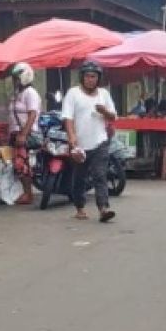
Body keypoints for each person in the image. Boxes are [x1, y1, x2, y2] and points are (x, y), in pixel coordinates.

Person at [62, 61, 117, 223]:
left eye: (93, 76)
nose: (90, 79)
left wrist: (104, 111)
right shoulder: (73, 94)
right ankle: (80, 207)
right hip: (80, 145)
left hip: (100, 142)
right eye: (87, 76)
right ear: (82, 77)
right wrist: (72, 139)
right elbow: (68, 118)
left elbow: (113, 116)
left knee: (100, 175)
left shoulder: (104, 95)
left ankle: (103, 208)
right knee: (79, 178)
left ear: (98, 79)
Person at [7, 62, 41, 206]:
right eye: (14, 78)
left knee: (22, 164)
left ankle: (28, 194)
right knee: (19, 163)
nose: (15, 81)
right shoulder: (18, 93)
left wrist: (23, 134)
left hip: (25, 133)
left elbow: (32, 115)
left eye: (17, 77)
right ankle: (25, 192)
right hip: (16, 133)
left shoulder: (30, 93)